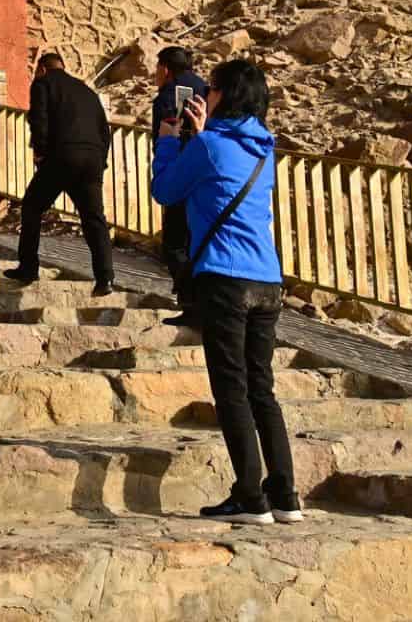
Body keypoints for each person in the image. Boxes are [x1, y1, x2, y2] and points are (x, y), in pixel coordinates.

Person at [151, 59, 299, 526]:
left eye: (211, 88)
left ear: (225, 95)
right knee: (262, 390)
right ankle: (285, 495)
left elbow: (165, 190)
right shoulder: (263, 148)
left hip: (224, 278)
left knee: (231, 389)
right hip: (267, 280)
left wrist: (169, 142)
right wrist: (200, 134)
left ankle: (249, 497)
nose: (205, 94)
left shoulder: (210, 146)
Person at [4, 52, 115, 294]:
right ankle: (105, 278)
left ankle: (28, 268)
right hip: (92, 159)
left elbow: (39, 119)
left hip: (61, 156)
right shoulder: (87, 91)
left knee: (32, 207)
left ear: (42, 68)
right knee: (94, 218)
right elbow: (104, 131)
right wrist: (100, 161)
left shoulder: (43, 83)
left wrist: (41, 152)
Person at [151, 45, 208, 325]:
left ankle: (191, 303)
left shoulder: (168, 94)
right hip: (205, 172)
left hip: (179, 172)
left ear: (165, 68)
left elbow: (165, 132)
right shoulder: (205, 88)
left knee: (175, 244)